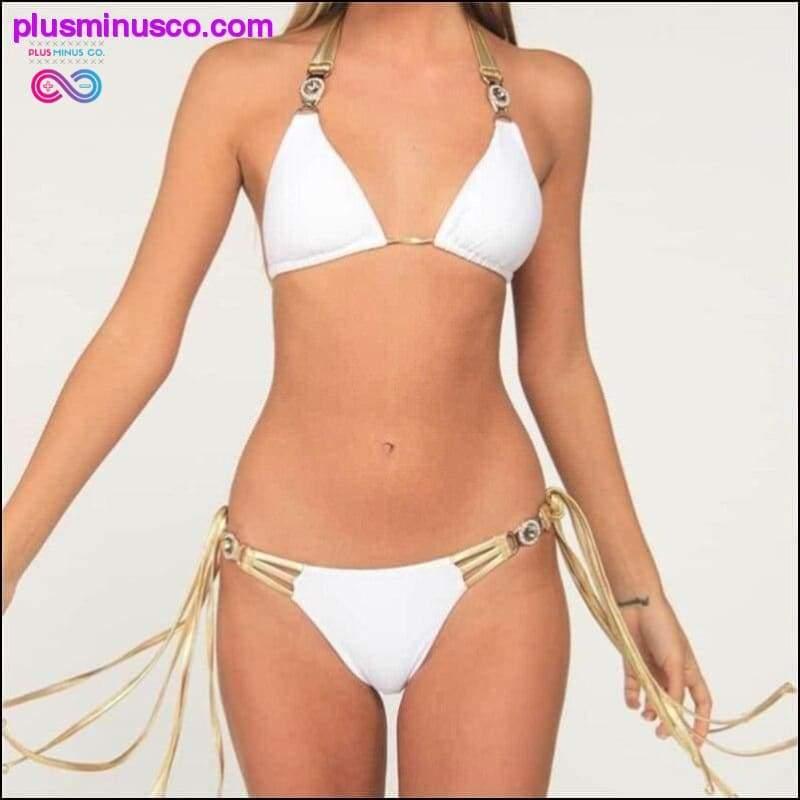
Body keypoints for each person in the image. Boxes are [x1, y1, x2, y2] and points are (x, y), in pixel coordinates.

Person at [2, 3, 795, 798]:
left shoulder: (550, 94)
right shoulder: (238, 82)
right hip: (283, 581)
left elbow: (558, 362)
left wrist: (638, 591)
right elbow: (137, 336)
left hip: (493, 568)